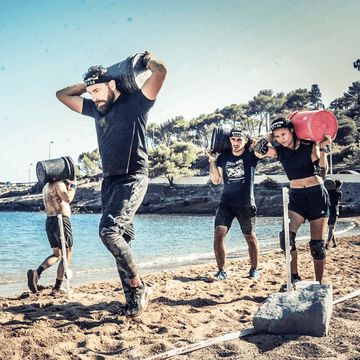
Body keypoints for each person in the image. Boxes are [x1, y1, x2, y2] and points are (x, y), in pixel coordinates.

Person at [56, 51, 167, 317]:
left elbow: (160, 72)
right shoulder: (96, 108)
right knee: (122, 239)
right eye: (90, 92)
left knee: (109, 231)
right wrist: (92, 81)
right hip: (110, 181)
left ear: (113, 85)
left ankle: (140, 287)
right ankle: (132, 301)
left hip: (133, 176)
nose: (93, 96)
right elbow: (62, 95)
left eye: (98, 90)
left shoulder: (137, 103)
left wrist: (146, 61)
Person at [254, 117, 333, 284]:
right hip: (296, 197)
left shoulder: (308, 144)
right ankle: (294, 278)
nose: (281, 138)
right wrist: (270, 138)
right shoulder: (279, 150)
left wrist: (323, 148)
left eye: (283, 134)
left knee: (317, 245)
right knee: (286, 238)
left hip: (316, 195)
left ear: (292, 131)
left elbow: (322, 172)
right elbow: (258, 149)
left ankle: (318, 283)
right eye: (277, 136)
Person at [208, 127, 266, 281]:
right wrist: (212, 161)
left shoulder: (251, 156)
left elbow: (263, 148)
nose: (235, 143)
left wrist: (259, 142)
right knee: (218, 233)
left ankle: (254, 270)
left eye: (239, 139)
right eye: (233, 139)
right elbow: (215, 180)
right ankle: (222, 271)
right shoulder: (223, 157)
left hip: (245, 204)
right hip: (226, 203)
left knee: (250, 237)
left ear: (245, 141)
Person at [27, 178, 77, 295]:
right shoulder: (58, 184)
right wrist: (74, 187)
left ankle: (37, 272)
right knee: (67, 254)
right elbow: (68, 198)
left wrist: (68, 187)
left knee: (58, 254)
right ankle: (57, 288)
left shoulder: (47, 186)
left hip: (50, 221)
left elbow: (59, 199)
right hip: (60, 221)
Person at [325, 179, 343, 249]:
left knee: (330, 228)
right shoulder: (339, 193)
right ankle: (327, 243)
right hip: (334, 211)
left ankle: (335, 243)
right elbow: (339, 200)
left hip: (328, 211)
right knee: (332, 228)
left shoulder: (328, 192)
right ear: (339, 186)